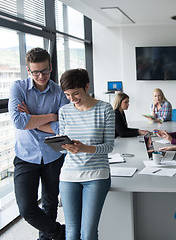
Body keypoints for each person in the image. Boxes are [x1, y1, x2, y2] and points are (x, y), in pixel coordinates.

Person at [8, 47, 69, 240]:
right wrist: (51, 116)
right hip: (25, 156)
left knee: (50, 204)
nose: (41, 76)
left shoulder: (59, 92)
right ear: (28, 71)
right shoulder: (17, 88)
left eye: (45, 70)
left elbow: (63, 127)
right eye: (35, 72)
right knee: (27, 209)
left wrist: (32, 119)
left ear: (51, 67)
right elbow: (18, 121)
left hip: (53, 154)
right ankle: (61, 233)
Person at [58, 69, 115, 240]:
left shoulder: (105, 109)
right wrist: (62, 146)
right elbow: (63, 147)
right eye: (67, 95)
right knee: (71, 232)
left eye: (76, 93)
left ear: (87, 86)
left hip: (96, 174)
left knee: (88, 233)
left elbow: (109, 146)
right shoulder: (64, 111)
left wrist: (84, 148)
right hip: (69, 175)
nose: (72, 99)